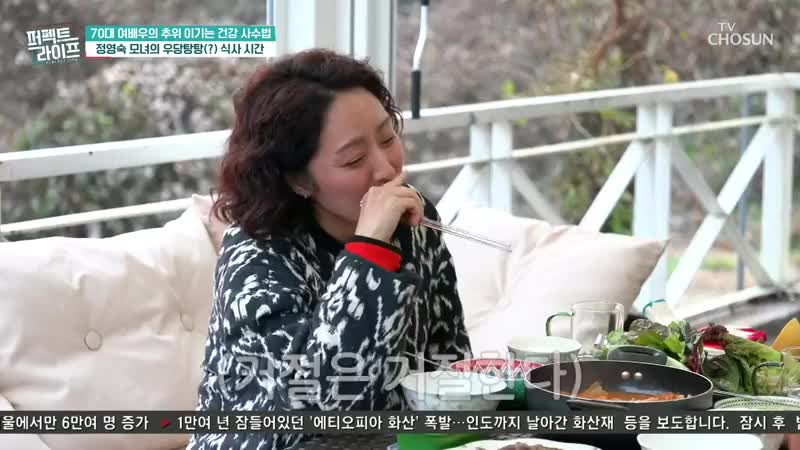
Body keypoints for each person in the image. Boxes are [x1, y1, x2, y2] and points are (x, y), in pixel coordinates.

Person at [188, 48, 472, 450]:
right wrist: (370, 250)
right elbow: (324, 403)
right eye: (354, 159)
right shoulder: (255, 258)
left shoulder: (416, 221)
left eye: (387, 137)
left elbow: (450, 363)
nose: (386, 168)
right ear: (299, 180)